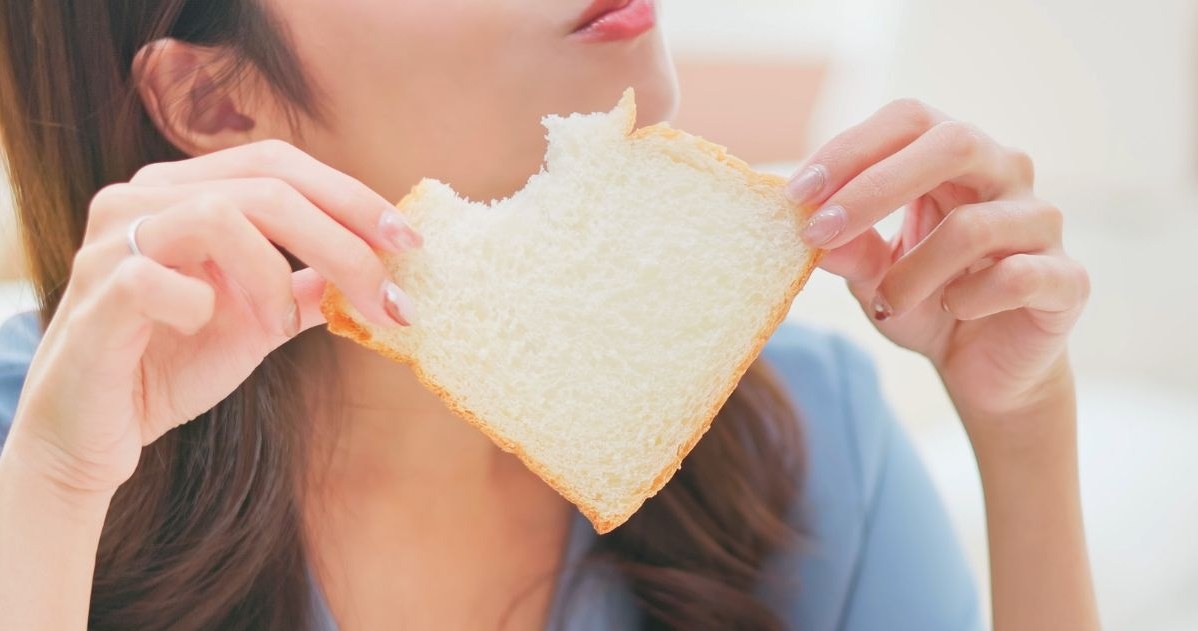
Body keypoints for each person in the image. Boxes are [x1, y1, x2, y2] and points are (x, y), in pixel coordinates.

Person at [0, 2, 1098, 630]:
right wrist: (53, 490)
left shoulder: (815, 433)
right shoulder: (43, 442)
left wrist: (1024, 431)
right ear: (214, 102)